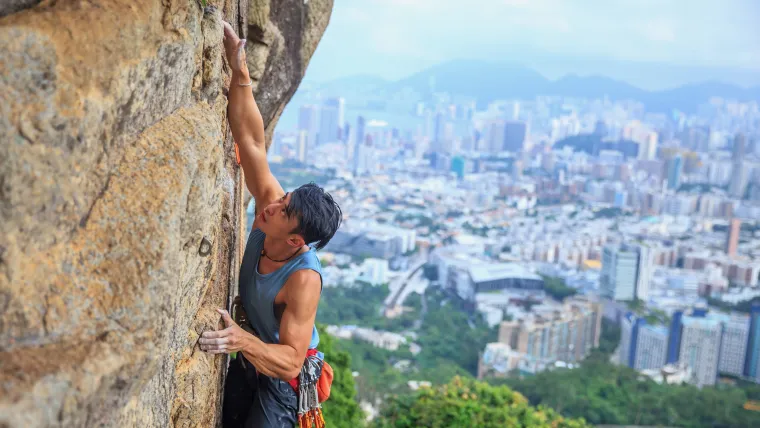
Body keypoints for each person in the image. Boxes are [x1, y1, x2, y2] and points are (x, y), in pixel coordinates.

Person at [198, 21, 342, 428]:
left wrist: (241, 341)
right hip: (251, 360)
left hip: (284, 385)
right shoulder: (271, 212)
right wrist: (239, 73)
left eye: (284, 209)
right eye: (284, 197)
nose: (272, 204)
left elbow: (292, 360)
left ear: (296, 239)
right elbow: (252, 144)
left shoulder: (303, 280)